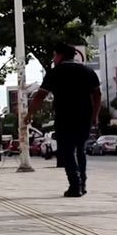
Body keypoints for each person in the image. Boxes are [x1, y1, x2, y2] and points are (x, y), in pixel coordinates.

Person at [26, 42, 102, 197]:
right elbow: (97, 94)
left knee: (67, 151)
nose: (53, 59)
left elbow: (40, 95)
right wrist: (95, 115)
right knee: (80, 150)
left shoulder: (55, 72)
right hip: (84, 116)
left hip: (65, 117)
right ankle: (83, 183)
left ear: (60, 55)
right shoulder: (87, 71)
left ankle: (75, 185)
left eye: (54, 55)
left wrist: (29, 114)